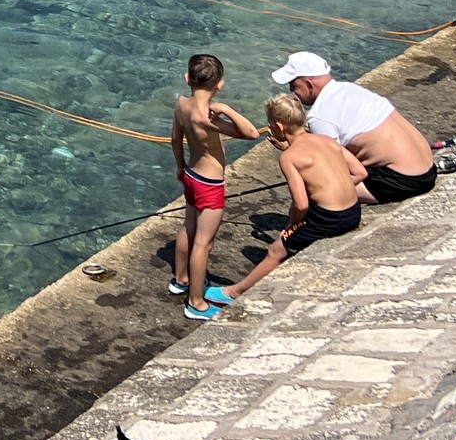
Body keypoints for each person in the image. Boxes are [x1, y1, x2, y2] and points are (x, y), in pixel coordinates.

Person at [226, 96, 367, 296]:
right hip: (353, 212)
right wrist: (332, 189)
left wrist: (290, 226)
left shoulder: (289, 157)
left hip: (330, 218)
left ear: (279, 126)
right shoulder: (326, 140)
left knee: (276, 250)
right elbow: (360, 172)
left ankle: (234, 292)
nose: (270, 128)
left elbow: (301, 205)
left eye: (270, 125)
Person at [271, 52, 439, 201]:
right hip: (428, 170)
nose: (292, 91)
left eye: (294, 86)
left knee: (313, 183)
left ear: (309, 84)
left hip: (403, 181)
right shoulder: (350, 89)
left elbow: (328, 165)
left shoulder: (319, 116)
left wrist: (292, 149)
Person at [167, 54, 260, 321]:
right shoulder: (208, 118)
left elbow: (175, 139)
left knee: (188, 228)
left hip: (191, 174)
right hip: (210, 184)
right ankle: (196, 303)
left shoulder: (181, 104)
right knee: (203, 243)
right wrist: (226, 109)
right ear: (220, 84)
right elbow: (251, 133)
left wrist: (180, 166)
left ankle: (181, 279)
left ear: (187, 79)